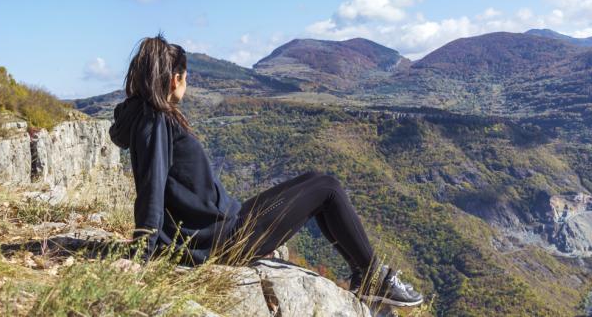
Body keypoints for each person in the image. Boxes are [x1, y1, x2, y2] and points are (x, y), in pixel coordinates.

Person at [108, 33, 423, 307]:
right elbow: (152, 187)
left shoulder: (143, 116)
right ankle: (372, 277)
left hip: (225, 224)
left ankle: (362, 273)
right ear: (175, 78)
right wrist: (141, 254)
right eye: (186, 77)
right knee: (328, 188)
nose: (186, 85)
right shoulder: (157, 121)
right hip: (225, 240)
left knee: (316, 180)